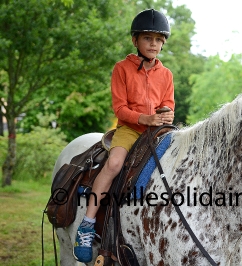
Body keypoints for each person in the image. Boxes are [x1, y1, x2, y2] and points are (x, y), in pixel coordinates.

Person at [73, 9, 175, 263]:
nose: (153, 44)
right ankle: (86, 225)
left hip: (158, 132)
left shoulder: (166, 74)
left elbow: (169, 104)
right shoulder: (122, 69)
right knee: (115, 164)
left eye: (158, 40)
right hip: (131, 129)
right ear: (135, 40)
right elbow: (120, 108)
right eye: (147, 39)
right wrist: (144, 119)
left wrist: (166, 115)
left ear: (163, 43)